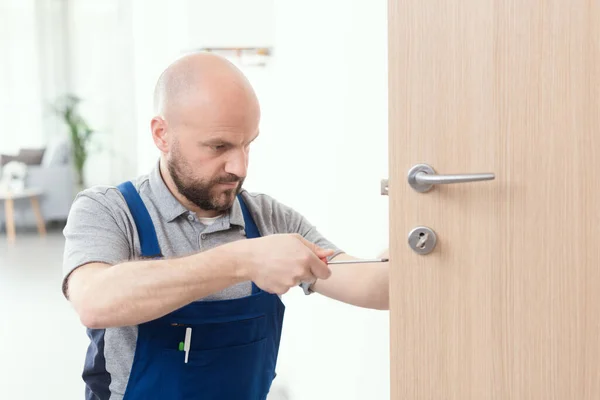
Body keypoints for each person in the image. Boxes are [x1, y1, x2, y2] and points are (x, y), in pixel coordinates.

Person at [62, 52, 389, 400]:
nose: (239, 166)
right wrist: (242, 261)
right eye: (219, 146)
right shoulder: (109, 210)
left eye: (248, 144)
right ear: (162, 134)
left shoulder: (268, 219)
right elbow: (94, 301)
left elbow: (372, 285)